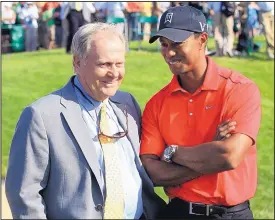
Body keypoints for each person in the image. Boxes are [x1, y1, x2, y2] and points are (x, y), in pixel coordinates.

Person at [5, 22, 165, 219]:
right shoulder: (42, 115)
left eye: (119, 64)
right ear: (77, 63)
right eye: (104, 64)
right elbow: (24, 195)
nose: (114, 73)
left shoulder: (127, 103)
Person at [140, 5, 261, 219]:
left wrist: (171, 153)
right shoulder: (156, 103)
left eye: (177, 44)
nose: (168, 52)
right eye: (164, 44)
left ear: (202, 40)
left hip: (231, 214)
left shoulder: (239, 89)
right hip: (178, 212)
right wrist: (208, 156)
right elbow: (152, 172)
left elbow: (228, 156)